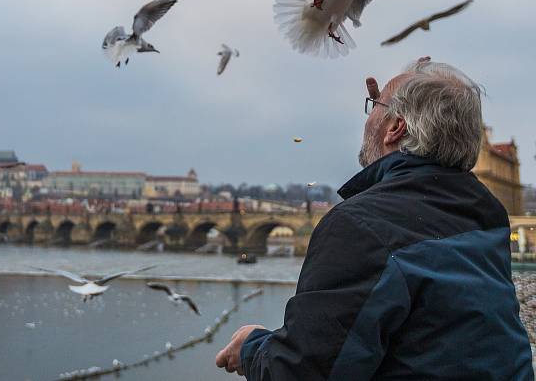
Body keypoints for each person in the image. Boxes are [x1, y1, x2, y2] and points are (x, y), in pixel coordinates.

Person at [215, 57, 533, 380]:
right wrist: (397, 103)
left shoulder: (361, 228)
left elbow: (301, 373)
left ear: (395, 128)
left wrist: (252, 347)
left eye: (374, 107)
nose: (368, 119)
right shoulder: (486, 216)